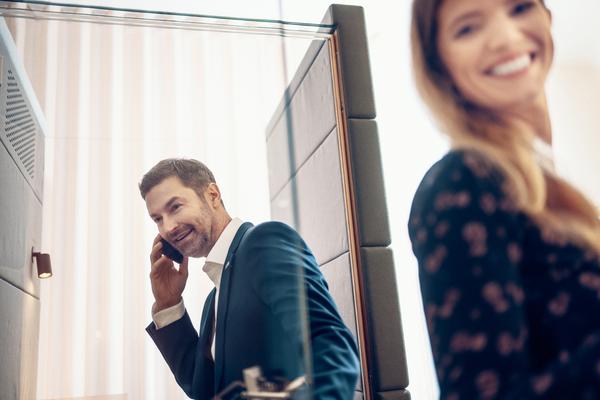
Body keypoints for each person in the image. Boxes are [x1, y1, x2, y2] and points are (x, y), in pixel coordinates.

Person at [408, 0, 600, 398]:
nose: (506, 37)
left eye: (519, 7)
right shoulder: (462, 183)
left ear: (546, 17)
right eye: (468, 28)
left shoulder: (545, 190)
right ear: (438, 63)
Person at [139, 158, 359, 400]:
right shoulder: (214, 299)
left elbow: (329, 346)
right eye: (158, 219)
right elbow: (202, 389)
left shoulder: (263, 243)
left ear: (212, 195)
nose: (168, 227)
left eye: (176, 207)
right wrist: (168, 304)